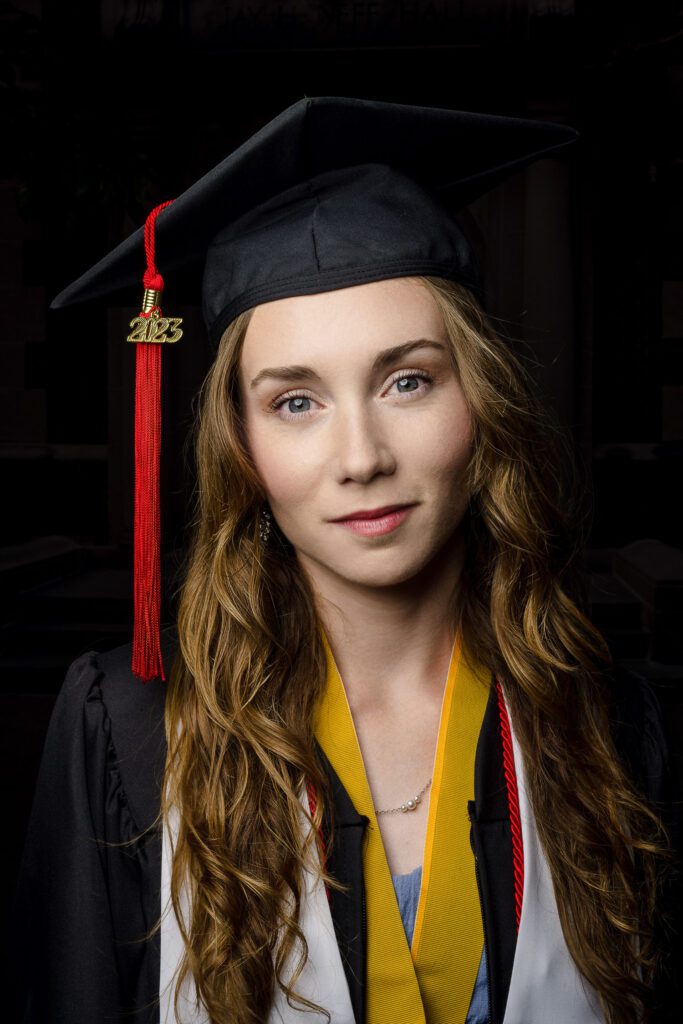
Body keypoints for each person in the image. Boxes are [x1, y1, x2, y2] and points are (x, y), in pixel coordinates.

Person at [10, 96, 681, 1024]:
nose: (361, 456)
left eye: (407, 380)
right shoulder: (129, 732)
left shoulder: (612, 724)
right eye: (296, 401)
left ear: (478, 401)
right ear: (239, 442)